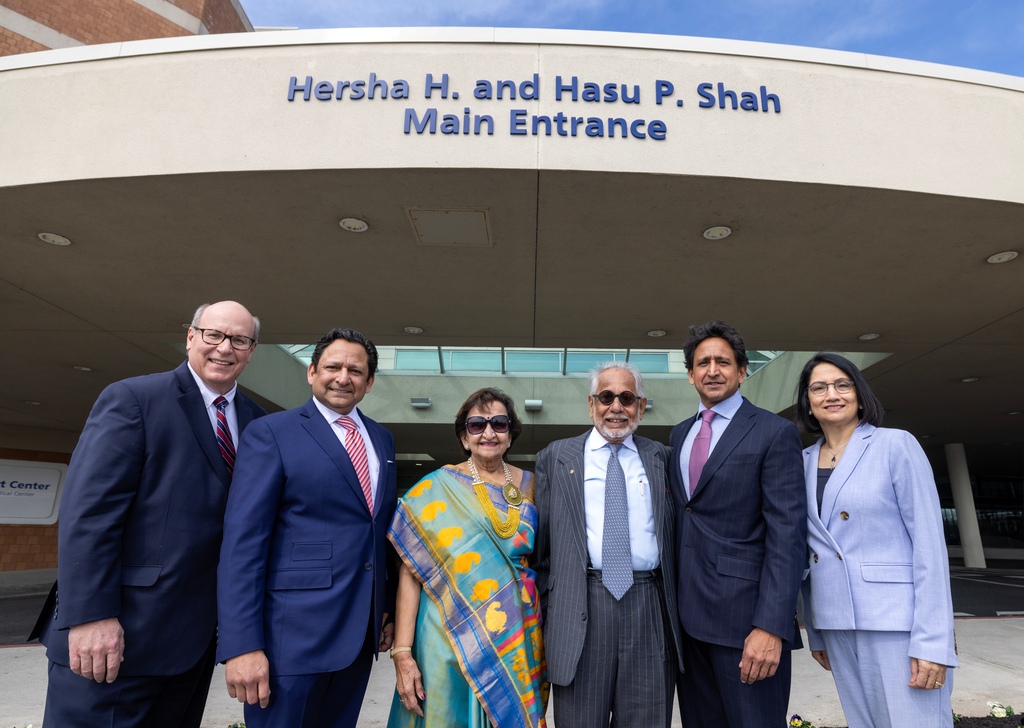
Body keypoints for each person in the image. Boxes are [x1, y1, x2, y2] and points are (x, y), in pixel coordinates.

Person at [29, 301, 266, 728]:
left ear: (251, 351)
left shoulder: (258, 424)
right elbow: (89, 514)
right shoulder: (134, 398)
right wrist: (90, 616)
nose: (224, 347)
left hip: (192, 648)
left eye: (239, 339)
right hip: (113, 640)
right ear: (191, 336)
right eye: (213, 334)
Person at [216, 327, 398, 728]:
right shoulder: (271, 432)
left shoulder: (382, 440)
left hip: (358, 637)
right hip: (290, 641)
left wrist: (384, 609)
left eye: (355, 370)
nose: (343, 377)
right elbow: (243, 545)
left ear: (369, 383)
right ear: (312, 372)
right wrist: (242, 645)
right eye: (332, 366)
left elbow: (378, 533)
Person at [797, 352, 957, 727]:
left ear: (859, 393)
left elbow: (930, 548)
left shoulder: (895, 445)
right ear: (807, 400)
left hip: (897, 624)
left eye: (842, 384)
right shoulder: (799, 460)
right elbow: (808, 552)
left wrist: (933, 643)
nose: (831, 394)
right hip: (836, 624)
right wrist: (817, 632)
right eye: (818, 387)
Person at [669, 320, 806, 728]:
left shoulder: (774, 431)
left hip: (746, 628)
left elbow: (788, 536)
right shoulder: (678, 434)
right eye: (703, 362)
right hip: (686, 628)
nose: (713, 370)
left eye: (723, 362)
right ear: (691, 374)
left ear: (742, 371)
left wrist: (771, 626)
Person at [532, 361, 684, 728]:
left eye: (627, 398)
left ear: (641, 406)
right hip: (580, 603)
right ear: (591, 405)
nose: (616, 407)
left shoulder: (662, 457)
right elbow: (542, 549)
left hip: (649, 605)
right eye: (606, 397)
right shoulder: (556, 457)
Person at [387, 387, 548, 728]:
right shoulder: (432, 489)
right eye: (477, 425)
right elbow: (410, 573)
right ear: (463, 436)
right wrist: (402, 651)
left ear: (511, 433)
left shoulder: (534, 486)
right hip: (447, 629)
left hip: (516, 633)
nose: (489, 433)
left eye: (499, 423)